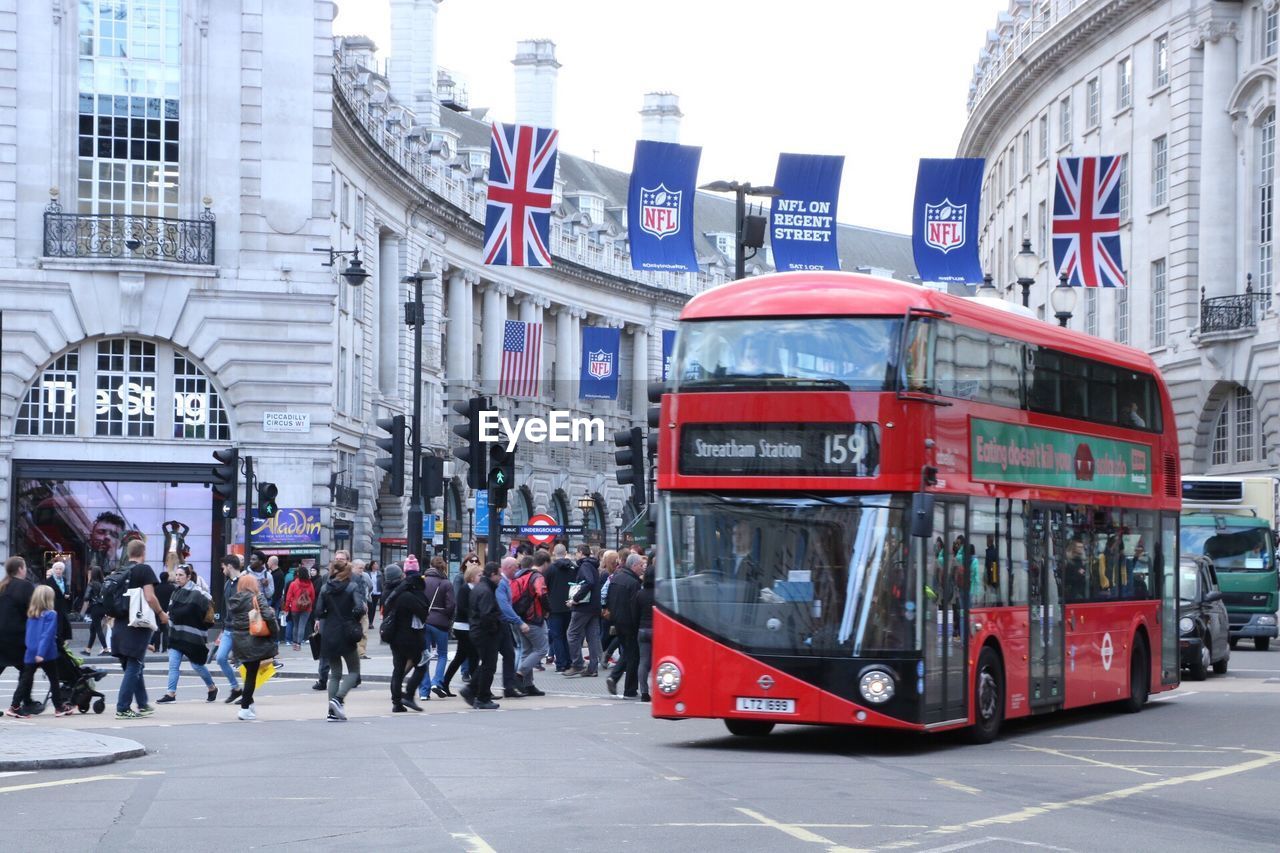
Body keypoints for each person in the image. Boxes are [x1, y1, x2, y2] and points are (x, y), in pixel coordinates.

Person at [112, 538, 168, 720]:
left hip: (119, 625)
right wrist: (161, 614)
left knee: (133, 665)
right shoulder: (144, 570)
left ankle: (143, 704)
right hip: (137, 625)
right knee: (134, 665)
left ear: (128, 553)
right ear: (144, 553)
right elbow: (150, 597)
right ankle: (122, 708)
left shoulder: (120, 570)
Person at [157, 564, 218, 704]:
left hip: (193, 636)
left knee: (197, 666)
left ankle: (212, 687)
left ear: (189, 577)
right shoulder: (175, 592)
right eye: (176, 575)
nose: (178, 578)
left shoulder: (198, 593)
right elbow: (172, 610)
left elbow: (208, 608)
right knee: (173, 665)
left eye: (181, 575)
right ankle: (170, 693)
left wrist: (202, 622)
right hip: (176, 634)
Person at [314, 558, 366, 721]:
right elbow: (359, 608)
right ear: (347, 572)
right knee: (353, 670)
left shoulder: (325, 588)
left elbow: (319, 611)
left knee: (335, 673)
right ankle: (338, 699)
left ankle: (331, 711)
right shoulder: (352, 587)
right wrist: (355, 617)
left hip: (329, 631)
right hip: (346, 631)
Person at [14, 586, 73, 716]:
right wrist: (41, 653)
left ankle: (15, 705)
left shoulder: (31, 614)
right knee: (54, 679)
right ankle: (59, 707)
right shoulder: (51, 614)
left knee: (25, 679)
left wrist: (31, 649)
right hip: (46, 653)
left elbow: (29, 635)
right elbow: (47, 635)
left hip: (30, 651)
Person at [226, 574, 277, 721]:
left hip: (238, 641)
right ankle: (245, 709)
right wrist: (274, 633)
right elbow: (267, 616)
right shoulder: (257, 597)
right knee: (251, 676)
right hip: (254, 640)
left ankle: (250, 704)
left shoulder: (235, 601)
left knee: (249, 673)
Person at [383, 564, 430, 712]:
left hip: (393, 637)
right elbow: (423, 612)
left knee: (398, 669)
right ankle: (409, 695)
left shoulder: (388, 594)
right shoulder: (406, 595)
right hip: (410, 636)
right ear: (401, 576)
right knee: (421, 665)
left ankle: (396, 703)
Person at [459, 561, 503, 710]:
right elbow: (486, 615)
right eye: (499, 574)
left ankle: (471, 689)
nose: (501, 578)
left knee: (485, 664)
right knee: (489, 666)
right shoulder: (486, 591)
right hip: (485, 632)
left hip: (477, 631)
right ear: (492, 575)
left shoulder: (479, 588)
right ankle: (482, 697)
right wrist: (494, 628)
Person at [1, 556, 37, 717]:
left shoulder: (2, 585)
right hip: (18, 636)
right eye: (25, 567)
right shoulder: (26, 586)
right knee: (27, 669)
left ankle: (26, 701)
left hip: (1, 635)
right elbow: (32, 611)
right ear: (21, 569)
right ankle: (22, 703)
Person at [511, 552, 551, 697]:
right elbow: (542, 593)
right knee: (542, 649)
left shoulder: (520, 575)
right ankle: (519, 675)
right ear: (545, 563)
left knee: (527, 650)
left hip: (518, 617)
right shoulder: (538, 577)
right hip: (533, 617)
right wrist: (548, 610)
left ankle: (528, 685)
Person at [605, 552, 644, 698]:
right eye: (641, 565)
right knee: (633, 655)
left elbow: (608, 598)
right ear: (633, 565)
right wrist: (637, 623)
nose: (642, 568)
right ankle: (630, 689)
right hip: (630, 623)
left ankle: (614, 677)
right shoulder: (634, 583)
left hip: (617, 621)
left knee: (628, 652)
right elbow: (635, 606)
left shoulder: (616, 578)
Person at [565, 548, 608, 677]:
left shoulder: (584, 566)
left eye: (577, 553)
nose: (576, 555)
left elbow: (588, 582)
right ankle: (592, 668)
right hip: (594, 606)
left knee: (572, 634)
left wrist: (575, 599)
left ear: (580, 552)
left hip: (583, 607)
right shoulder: (593, 565)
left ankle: (577, 664)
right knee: (593, 637)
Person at [441, 559, 481, 694]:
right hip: (463, 627)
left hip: (468, 627)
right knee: (473, 657)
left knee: (461, 657)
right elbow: (462, 608)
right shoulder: (465, 589)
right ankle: (477, 689)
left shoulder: (476, 589)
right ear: (471, 577)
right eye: (479, 575)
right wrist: (476, 615)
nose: (481, 577)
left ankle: (445, 683)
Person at [422, 556, 456, 699]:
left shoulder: (422, 581)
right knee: (442, 654)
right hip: (440, 623)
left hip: (424, 622)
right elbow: (451, 605)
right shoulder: (446, 583)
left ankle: (424, 691)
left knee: (425, 656)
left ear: (430, 565)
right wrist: (447, 618)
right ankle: (437, 681)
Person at [216, 554, 245, 705]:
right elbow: (226, 607)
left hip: (241, 629)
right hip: (228, 628)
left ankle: (247, 695)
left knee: (244, 663)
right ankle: (235, 688)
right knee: (220, 658)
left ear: (229, 566)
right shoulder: (228, 584)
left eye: (223, 568)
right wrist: (222, 627)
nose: (222, 571)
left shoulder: (244, 582)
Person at [496, 556, 526, 698]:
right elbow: (504, 606)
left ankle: (509, 687)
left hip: (503, 623)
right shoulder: (502, 583)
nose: (517, 570)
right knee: (491, 659)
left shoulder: (505, 582)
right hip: (499, 623)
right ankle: (473, 688)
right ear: (508, 568)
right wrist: (519, 621)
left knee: (509, 655)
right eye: (515, 567)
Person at [545, 544, 577, 672]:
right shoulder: (574, 568)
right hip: (570, 605)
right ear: (566, 553)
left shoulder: (550, 569)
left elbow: (545, 587)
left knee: (557, 636)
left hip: (554, 607)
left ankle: (561, 663)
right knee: (568, 635)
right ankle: (569, 661)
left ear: (553, 553)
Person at [636, 565, 656, 703]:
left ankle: (643, 691)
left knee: (643, 661)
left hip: (642, 629)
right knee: (657, 661)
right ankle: (658, 689)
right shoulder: (661, 593)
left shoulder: (640, 594)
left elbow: (634, 612)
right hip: (658, 630)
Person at [284, 566, 315, 651]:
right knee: (302, 626)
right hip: (307, 608)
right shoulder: (310, 584)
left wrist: (286, 608)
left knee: (295, 625)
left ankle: (294, 643)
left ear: (298, 574)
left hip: (295, 607)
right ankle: (298, 644)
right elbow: (313, 596)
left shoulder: (293, 584)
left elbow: (288, 596)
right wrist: (309, 604)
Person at [43, 560, 73, 647]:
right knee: (56, 625)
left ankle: (62, 641)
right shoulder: (49, 581)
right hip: (53, 605)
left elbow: (67, 590)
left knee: (63, 623)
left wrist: (68, 595)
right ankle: (57, 642)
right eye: (56, 569)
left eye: (60, 569)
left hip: (63, 606)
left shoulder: (64, 579)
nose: (58, 571)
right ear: (53, 570)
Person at [80, 567, 108, 655]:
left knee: (98, 629)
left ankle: (106, 649)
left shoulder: (91, 584)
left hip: (95, 608)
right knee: (93, 628)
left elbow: (86, 597)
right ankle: (88, 649)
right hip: (103, 608)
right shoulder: (103, 583)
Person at [367, 560, 382, 629]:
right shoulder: (368, 573)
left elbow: (381, 583)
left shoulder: (379, 574)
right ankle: (368, 621)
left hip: (377, 592)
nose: (377, 565)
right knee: (369, 607)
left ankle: (371, 623)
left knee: (373, 608)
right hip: (370, 593)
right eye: (375, 564)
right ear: (372, 565)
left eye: (377, 564)